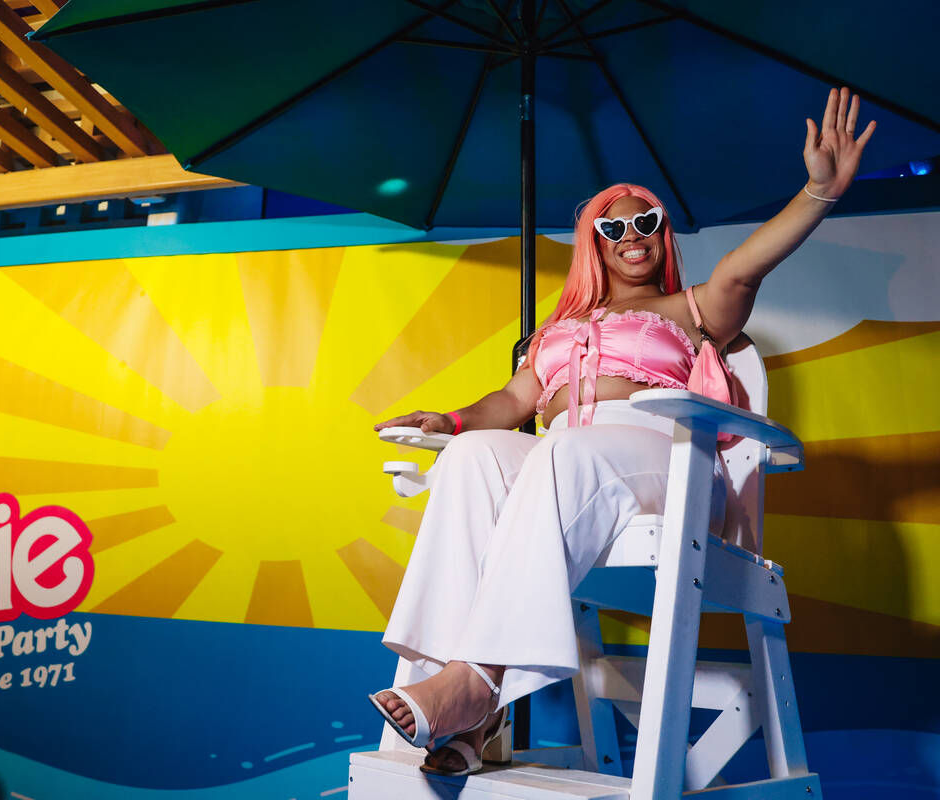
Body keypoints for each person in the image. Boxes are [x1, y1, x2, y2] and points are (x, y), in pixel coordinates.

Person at [368, 88, 875, 777]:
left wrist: (819, 192)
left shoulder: (690, 309)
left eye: (647, 222)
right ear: (593, 245)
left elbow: (743, 267)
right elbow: (514, 399)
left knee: (563, 451)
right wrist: (451, 422)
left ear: (663, 234)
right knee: (471, 456)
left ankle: (477, 682)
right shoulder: (556, 330)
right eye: (614, 228)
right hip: (569, 467)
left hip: (666, 462)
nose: (632, 236)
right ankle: (459, 700)